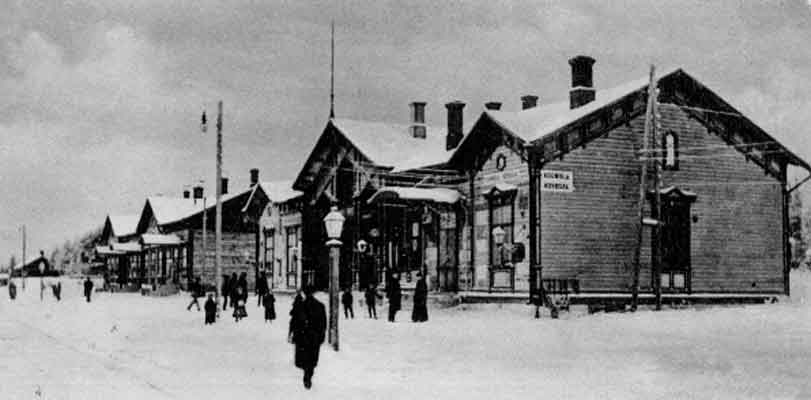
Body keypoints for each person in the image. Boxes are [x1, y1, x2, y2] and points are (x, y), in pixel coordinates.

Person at [288, 285, 326, 390]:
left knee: (304, 358)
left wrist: (292, 334)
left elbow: (294, 322)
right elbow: (323, 324)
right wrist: (321, 337)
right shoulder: (320, 306)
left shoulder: (300, 306)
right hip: (314, 337)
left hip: (302, 336)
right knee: (312, 359)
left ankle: (307, 374)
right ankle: (308, 375)